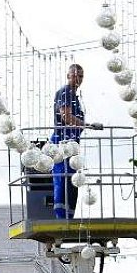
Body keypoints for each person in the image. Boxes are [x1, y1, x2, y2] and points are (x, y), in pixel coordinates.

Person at [51, 63, 103, 219]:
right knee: (64, 178)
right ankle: (61, 217)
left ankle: (69, 215)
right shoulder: (65, 92)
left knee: (73, 180)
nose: (78, 79)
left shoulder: (74, 96)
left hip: (72, 144)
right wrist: (89, 125)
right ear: (68, 76)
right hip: (63, 143)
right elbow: (66, 117)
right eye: (75, 75)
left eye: (81, 76)